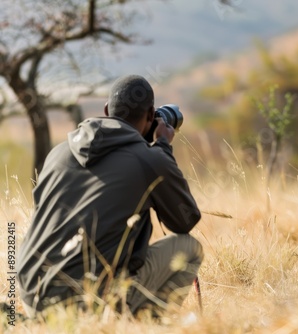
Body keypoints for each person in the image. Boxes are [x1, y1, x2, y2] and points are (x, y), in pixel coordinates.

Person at [18, 75, 203, 318]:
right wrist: (163, 148)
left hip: (31, 294)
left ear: (107, 110)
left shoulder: (59, 152)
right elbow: (185, 222)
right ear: (151, 115)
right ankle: (142, 326)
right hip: (86, 304)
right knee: (189, 248)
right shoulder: (149, 159)